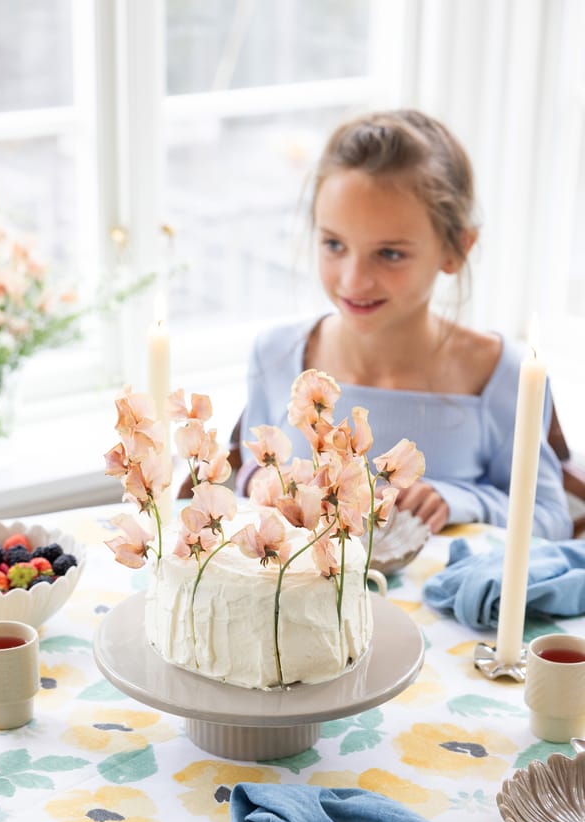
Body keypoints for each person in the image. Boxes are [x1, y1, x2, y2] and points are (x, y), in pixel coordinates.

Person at [236, 109, 572, 540]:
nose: (353, 280)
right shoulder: (277, 354)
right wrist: (259, 486)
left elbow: (550, 519)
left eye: (390, 254)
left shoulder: (501, 375)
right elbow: (250, 479)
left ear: (456, 249)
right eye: (334, 244)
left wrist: (461, 500)